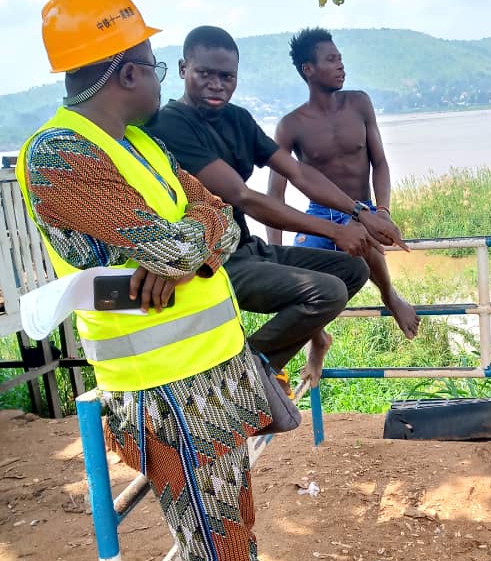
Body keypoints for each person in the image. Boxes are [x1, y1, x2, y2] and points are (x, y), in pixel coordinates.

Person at [16, 0, 357, 561]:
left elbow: (217, 226)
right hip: (161, 395)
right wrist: (185, 242)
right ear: (125, 70)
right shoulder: (60, 156)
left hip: (211, 377)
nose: (164, 79)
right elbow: (178, 245)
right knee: (216, 545)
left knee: (238, 531)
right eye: (154, 65)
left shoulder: (140, 145)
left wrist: (189, 238)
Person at [147, 26, 408, 386]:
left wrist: (363, 213)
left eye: (227, 77)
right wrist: (335, 230)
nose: (216, 85)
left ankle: (255, 368)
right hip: (211, 262)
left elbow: (298, 171)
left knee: (353, 272)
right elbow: (243, 196)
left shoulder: (237, 118)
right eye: (204, 74)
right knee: (326, 292)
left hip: (246, 248)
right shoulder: (172, 123)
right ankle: (237, 381)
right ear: (182, 69)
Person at [266, 28, 420, 339]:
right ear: (308, 70)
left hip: (365, 208)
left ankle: (389, 294)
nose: (341, 66)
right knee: (300, 289)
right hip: (320, 215)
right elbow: (275, 195)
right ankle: (318, 340)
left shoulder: (359, 103)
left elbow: (380, 163)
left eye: (341, 59)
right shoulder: (291, 125)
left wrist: (384, 211)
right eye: (331, 60)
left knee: (365, 233)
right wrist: (275, 255)